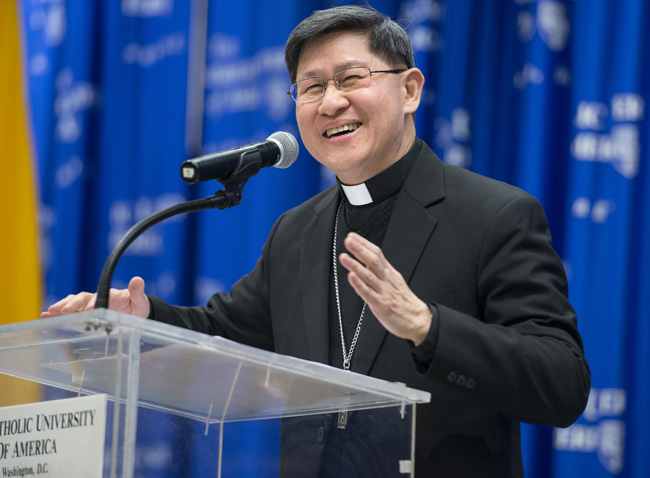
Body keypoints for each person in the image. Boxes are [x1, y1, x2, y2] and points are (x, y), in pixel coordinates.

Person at [43, 5, 591, 477]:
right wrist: (141, 320)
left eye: (351, 78)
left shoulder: (494, 215)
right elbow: (221, 334)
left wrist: (427, 327)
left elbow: (561, 382)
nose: (330, 102)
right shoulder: (297, 232)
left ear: (410, 89)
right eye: (311, 87)